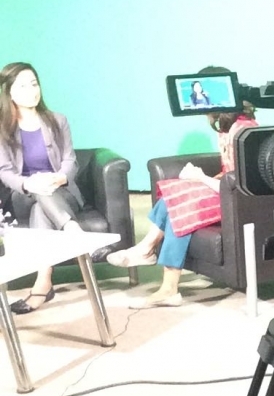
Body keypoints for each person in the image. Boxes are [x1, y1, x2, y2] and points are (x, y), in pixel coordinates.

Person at [106, 96, 258, 308]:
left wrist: (201, 178)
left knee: (181, 208)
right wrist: (199, 180)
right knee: (174, 192)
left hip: (238, 202)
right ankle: (148, 253)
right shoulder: (226, 129)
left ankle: (160, 275)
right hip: (225, 192)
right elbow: (228, 173)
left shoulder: (243, 131)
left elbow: (239, 184)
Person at [0, 61, 107, 314]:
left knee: (41, 207)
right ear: (9, 92)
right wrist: (29, 182)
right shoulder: (2, 127)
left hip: (61, 192)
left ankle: (43, 283)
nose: (32, 91)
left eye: (34, 84)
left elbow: (71, 160)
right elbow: (4, 171)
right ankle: (75, 232)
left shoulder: (58, 120)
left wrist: (58, 178)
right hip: (23, 194)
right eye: (23, 86)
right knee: (38, 190)